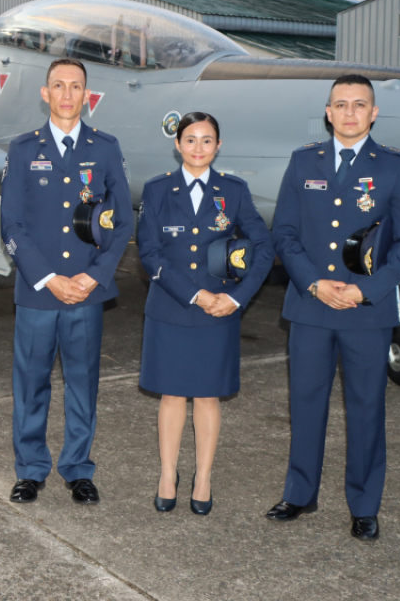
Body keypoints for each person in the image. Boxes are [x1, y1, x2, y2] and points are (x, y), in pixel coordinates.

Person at [265, 74, 400, 541]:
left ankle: (364, 505)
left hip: (365, 311)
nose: (350, 112)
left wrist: (368, 290)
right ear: (328, 113)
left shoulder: (394, 166)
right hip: (311, 307)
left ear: (374, 114)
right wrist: (314, 284)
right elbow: (285, 235)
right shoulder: (302, 161)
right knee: (306, 404)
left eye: (360, 105)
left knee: (367, 407)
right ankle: (300, 494)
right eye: (341, 104)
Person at [0, 58, 134, 505]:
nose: (66, 94)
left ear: (86, 95)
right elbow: (12, 224)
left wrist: (94, 278)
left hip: (84, 292)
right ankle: (31, 469)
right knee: (31, 383)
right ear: (45, 93)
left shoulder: (105, 148)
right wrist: (48, 277)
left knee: (82, 382)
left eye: (75, 87)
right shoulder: (23, 150)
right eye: (58, 85)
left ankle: (78, 468)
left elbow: (121, 224)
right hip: (39, 292)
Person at [137, 112, 274, 515]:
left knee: (209, 397)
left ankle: (203, 476)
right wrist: (195, 294)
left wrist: (236, 299)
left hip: (220, 311)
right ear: (178, 145)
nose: (199, 148)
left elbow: (263, 247)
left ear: (218, 146)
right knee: (172, 395)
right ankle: (167, 473)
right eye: (191, 140)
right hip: (172, 307)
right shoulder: (158, 190)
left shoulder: (233, 190)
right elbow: (149, 252)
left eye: (207, 140)